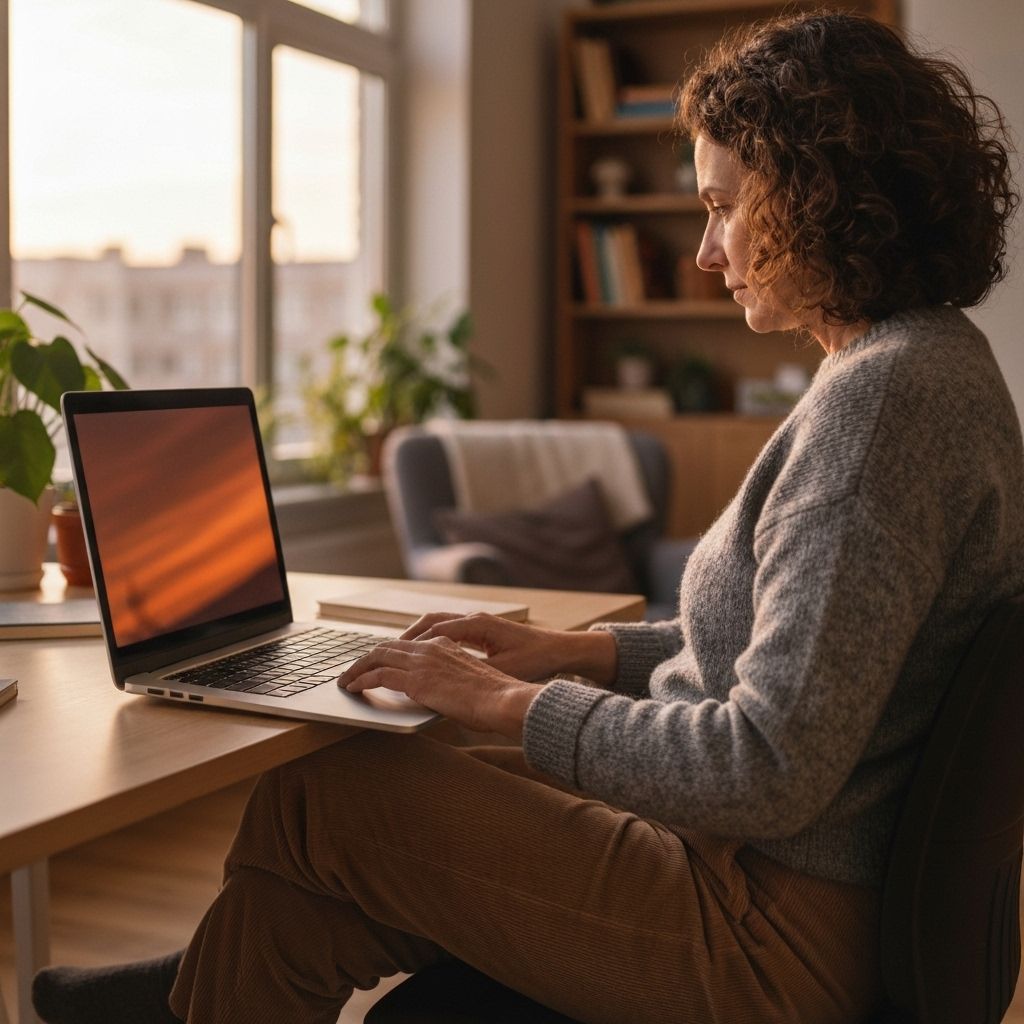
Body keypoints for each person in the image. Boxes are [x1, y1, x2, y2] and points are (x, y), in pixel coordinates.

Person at [34, 10, 1022, 1024]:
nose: (704, 251)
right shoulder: (921, 367)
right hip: (781, 877)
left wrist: (503, 700)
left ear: (818, 196)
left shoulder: (879, 408)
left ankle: (186, 998)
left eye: (722, 207)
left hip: (769, 931)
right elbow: (796, 656)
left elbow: (763, 765)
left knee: (324, 798)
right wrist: (568, 653)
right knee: (346, 837)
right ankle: (206, 987)